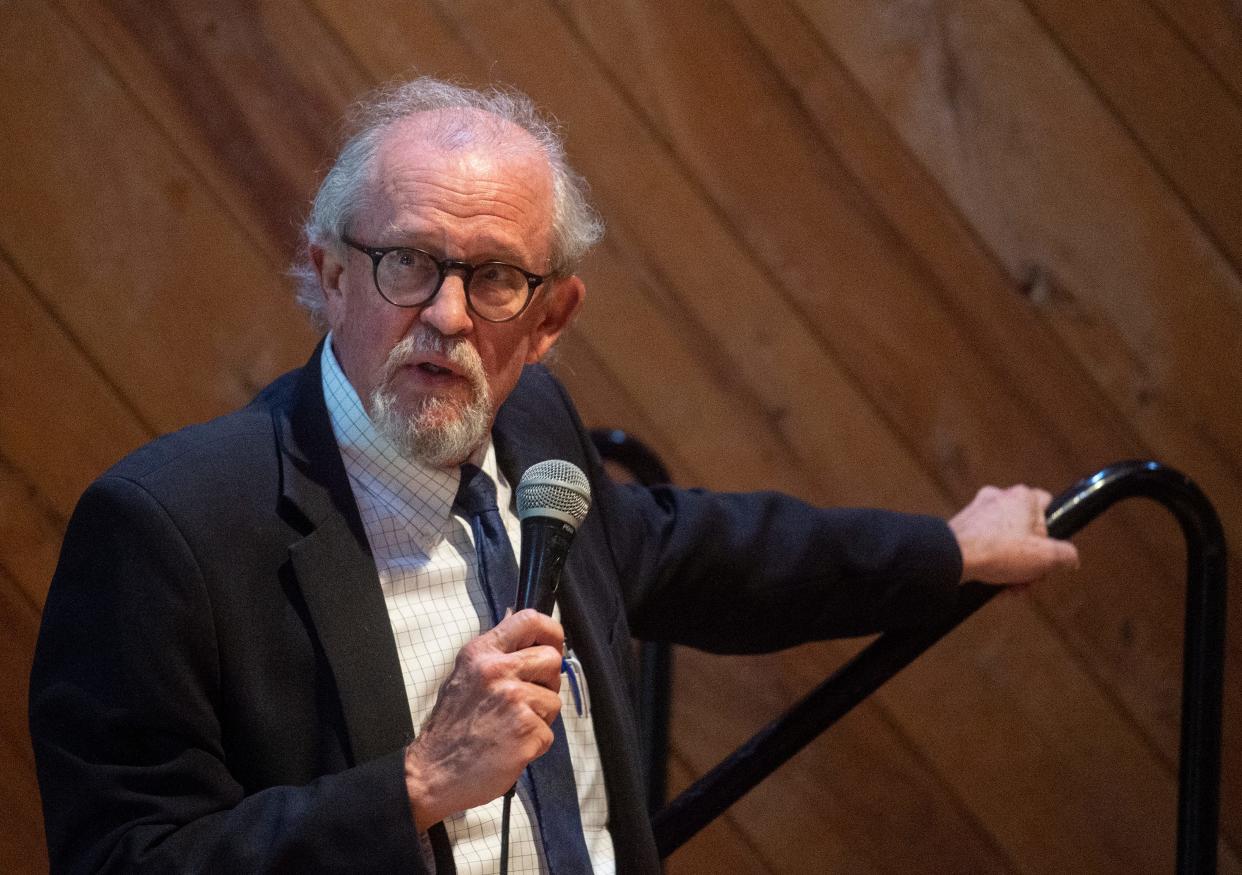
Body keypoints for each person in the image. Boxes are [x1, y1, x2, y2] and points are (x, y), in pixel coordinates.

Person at [29, 78, 1079, 874]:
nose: (445, 316)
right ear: (328, 272)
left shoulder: (533, 428)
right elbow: (130, 858)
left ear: (550, 317)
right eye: (407, 262)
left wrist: (947, 549)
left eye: (492, 276)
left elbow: (695, 548)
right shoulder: (169, 525)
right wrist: (416, 782)